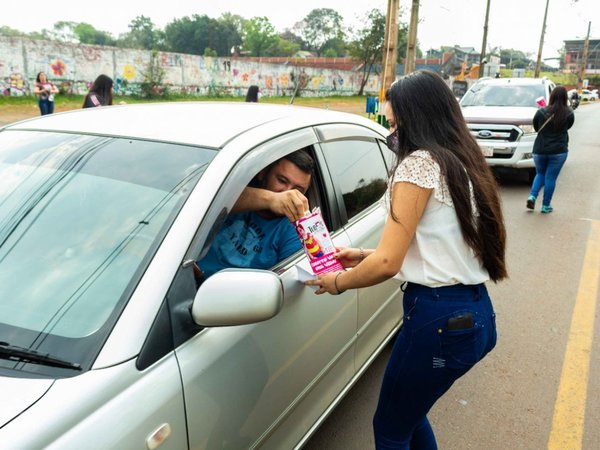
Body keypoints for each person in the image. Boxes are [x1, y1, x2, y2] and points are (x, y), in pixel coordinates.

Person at [305, 70, 507, 449]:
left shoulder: (419, 164)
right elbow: (438, 244)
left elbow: (388, 264)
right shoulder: (461, 161)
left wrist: (335, 282)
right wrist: (363, 254)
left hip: (438, 328)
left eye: (395, 124)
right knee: (409, 415)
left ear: (417, 118)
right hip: (474, 319)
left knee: (391, 427)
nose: (391, 134)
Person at [195, 149, 313, 280]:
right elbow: (207, 199)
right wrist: (272, 199)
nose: (288, 193)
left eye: (297, 190)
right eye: (282, 180)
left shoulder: (295, 230)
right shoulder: (234, 194)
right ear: (262, 173)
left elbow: (288, 281)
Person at [526, 86, 575, 213]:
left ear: (551, 96)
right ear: (565, 98)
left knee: (540, 174)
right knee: (550, 178)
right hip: (559, 151)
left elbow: (536, 128)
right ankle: (545, 205)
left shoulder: (541, 112)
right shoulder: (569, 113)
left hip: (540, 149)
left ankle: (532, 196)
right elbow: (568, 127)